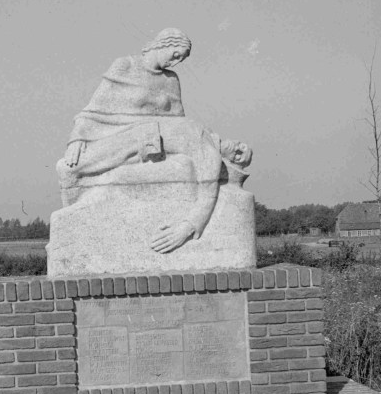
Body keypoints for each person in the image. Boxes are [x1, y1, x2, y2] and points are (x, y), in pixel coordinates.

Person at [57, 28, 251, 253]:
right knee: (68, 168)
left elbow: (178, 122)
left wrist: (188, 227)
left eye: (182, 58)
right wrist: (77, 138)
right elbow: (94, 108)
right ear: (163, 44)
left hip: (146, 145)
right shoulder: (125, 65)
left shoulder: (199, 137)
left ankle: (72, 240)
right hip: (118, 134)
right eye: (176, 54)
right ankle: (71, 237)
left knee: (67, 171)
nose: (177, 61)